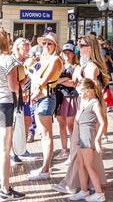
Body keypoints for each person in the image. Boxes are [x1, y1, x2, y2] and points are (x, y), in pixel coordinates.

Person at [52, 35, 108, 195]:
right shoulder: (89, 65)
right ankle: (88, 184)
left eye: (81, 45)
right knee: (86, 150)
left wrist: (80, 114)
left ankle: (72, 184)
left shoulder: (91, 67)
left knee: (78, 149)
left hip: (85, 113)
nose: (79, 48)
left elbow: (87, 92)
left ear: (90, 47)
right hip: (88, 113)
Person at [28, 32, 63, 181]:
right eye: (45, 43)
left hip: (46, 97)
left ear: (55, 46)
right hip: (41, 97)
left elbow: (43, 80)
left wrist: (34, 93)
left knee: (46, 135)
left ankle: (45, 169)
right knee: (43, 135)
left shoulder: (55, 59)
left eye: (50, 43)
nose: (47, 46)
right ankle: (44, 167)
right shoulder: (45, 58)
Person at [69, 78, 107, 202]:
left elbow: (102, 123)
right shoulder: (83, 101)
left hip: (87, 135)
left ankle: (99, 194)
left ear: (89, 91)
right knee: (80, 163)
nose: (80, 95)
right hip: (81, 134)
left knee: (89, 165)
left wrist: (97, 140)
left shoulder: (95, 103)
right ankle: (84, 190)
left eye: (81, 92)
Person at [0, 28, 25, 202]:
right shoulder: (8, 59)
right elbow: (13, 87)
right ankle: (5, 189)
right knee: (4, 150)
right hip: (4, 105)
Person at [11, 38, 36, 165]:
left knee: (27, 120)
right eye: (24, 47)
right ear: (17, 47)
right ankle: (14, 152)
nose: (27, 49)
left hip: (24, 96)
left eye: (28, 46)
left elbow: (24, 81)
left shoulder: (25, 61)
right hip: (14, 98)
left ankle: (21, 148)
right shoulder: (13, 61)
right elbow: (18, 82)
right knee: (15, 125)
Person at [55, 43, 79, 161]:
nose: (66, 54)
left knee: (71, 127)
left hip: (70, 98)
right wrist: (65, 80)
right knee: (61, 125)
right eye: (65, 52)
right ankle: (64, 150)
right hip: (60, 98)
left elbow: (73, 83)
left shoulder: (76, 67)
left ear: (73, 54)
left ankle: (73, 152)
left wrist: (59, 81)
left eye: (69, 52)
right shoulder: (60, 65)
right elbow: (54, 80)